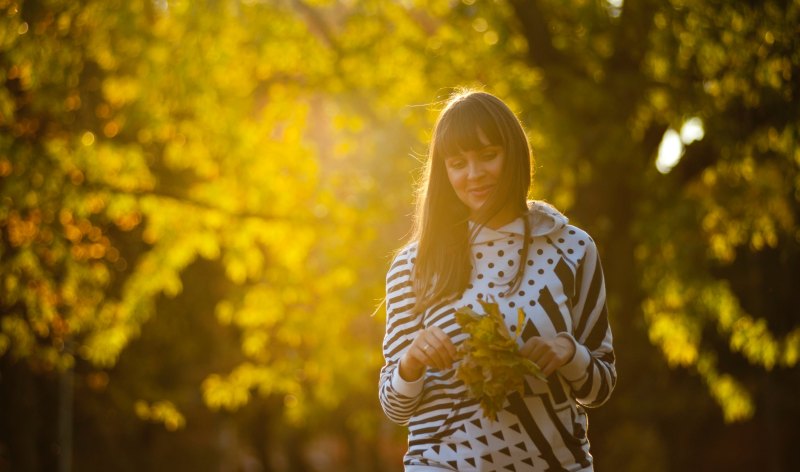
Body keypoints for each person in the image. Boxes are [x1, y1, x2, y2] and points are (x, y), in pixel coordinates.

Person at [378, 90, 616, 471]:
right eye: (458, 163)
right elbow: (394, 405)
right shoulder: (414, 265)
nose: (474, 174)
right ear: (445, 172)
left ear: (515, 154)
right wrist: (411, 362)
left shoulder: (571, 248)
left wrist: (570, 353)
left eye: (489, 155)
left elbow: (601, 385)